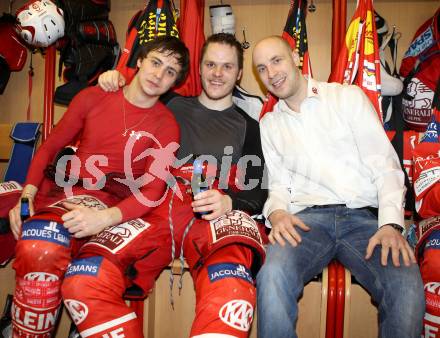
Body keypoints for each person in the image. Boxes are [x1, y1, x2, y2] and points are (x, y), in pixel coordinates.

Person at [72, 33, 267, 338]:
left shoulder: (250, 126)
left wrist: (230, 202)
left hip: (214, 216)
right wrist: (114, 78)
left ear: (239, 73)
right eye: (210, 64)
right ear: (199, 69)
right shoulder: (169, 103)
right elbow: (133, 91)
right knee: (84, 279)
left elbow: (258, 191)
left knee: (232, 293)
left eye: (227, 67)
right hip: (156, 210)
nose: (217, 73)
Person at [8, 36, 190, 338]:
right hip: (69, 193)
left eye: (170, 71)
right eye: (156, 62)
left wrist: (103, 218)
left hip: (119, 212)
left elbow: (152, 192)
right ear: (140, 60)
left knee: (87, 277)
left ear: (174, 83)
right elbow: (50, 147)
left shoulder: (168, 125)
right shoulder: (94, 96)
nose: (159, 75)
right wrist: (26, 195)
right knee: (39, 246)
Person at [252, 35, 425, 338]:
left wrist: (391, 224)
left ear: (295, 57)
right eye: (262, 68)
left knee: (406, 284)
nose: (272, 73)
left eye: (276, 60)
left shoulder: (347, 98)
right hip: (306, 222)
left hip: (365, 220)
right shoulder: (269, 124)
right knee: (272, 274)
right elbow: (278, 183)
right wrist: (277, 213)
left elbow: (385, 165)